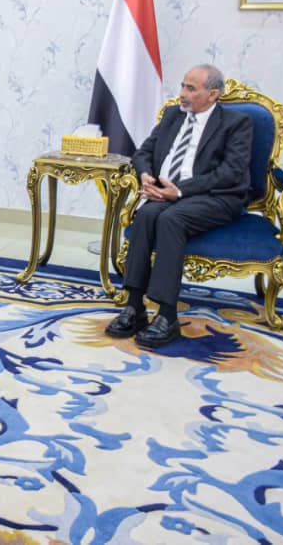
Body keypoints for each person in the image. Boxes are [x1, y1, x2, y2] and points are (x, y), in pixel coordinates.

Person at [105, 64, 253, 348]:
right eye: (183, 85)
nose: (182, 93)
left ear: (213, 94)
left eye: (191, 88)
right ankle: (134, 306)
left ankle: (167, 315)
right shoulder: (173, 115)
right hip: (166, 193)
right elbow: (143, 152)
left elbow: (231, 173)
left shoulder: (236, 122)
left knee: (171, 219)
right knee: (146, 214)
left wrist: (181, 191)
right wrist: (146, 176)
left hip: (215, 196)